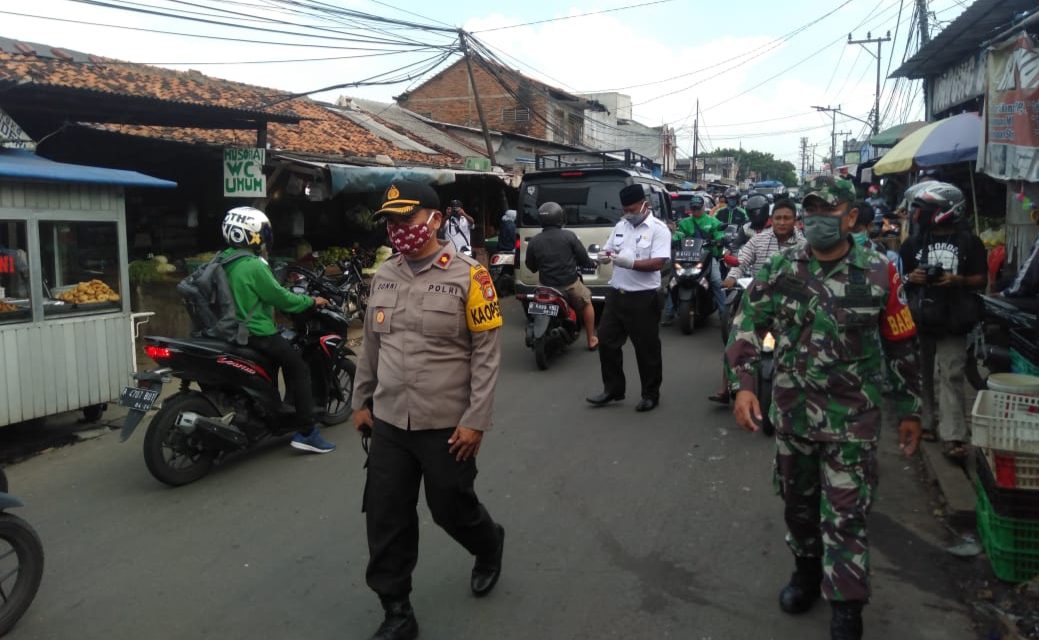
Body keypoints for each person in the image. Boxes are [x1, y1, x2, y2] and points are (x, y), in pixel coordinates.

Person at [726, 175, 922, 640]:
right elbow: (749, 324)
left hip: (852, 418)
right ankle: (807, 573)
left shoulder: (878, 271)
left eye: (826, 213)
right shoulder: (783, 268)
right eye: (809, 212)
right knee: (798, 505)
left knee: (846, 512)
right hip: (793, 413)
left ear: (851, 218)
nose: (815, 221)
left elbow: (900, 341)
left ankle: (848, 605)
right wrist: (745, 385)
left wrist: (910, 408)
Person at [352, 181, 505, 640]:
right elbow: (371, 347)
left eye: (407, 219)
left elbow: (487, 354)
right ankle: (396, 609)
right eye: (391, 222)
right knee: (386, 516)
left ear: (435, 220)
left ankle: (488, 543)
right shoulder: (384, 275)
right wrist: (360, 401)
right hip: (390, 423)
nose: (398, 230)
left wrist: (476, 420)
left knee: (451, 509)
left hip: (446, 425)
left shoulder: (471, 276)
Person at [220, 207, 335, 454]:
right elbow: (282, 299)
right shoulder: (252, 265)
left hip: (227, 331)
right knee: (298, 367)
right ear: (252, 235)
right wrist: (311, 302)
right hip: (256, 333)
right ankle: (307, 432)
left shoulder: (224, 259)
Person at [899, 182, 987, 461]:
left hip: (954, 319)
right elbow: (901, 282)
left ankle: (954, 435)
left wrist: (957, 280)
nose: (916, 215)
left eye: (923, 210)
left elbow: (981, 279)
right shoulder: (912, 243)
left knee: (951, 374)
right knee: (922, 374)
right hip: (921, 317)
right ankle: (926, 422)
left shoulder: (970, 242)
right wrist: (911, 279)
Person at [587, 183, 671, 412]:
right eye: (625, 210)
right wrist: (603, 257)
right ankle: (613, 389)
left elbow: (658, 263)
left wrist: (631, 263)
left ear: (645, 204)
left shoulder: (658, 229)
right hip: (617, 295)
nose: (628, 214)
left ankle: (650, 394)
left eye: (632, 209)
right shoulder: (621, 225)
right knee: (606, 341)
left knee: (646, 349)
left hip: (643, 298)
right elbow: (608, 250)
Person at [712, 199, 803, 404]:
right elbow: (741, 261)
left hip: (792, 303)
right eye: (778, 218)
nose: (781, 222)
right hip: (758, 300)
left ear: (795, 221)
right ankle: (728, 385)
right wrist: (731, 278)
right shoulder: (758, 240)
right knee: (735, 341)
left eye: (786, 218)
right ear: (771, 220)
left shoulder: (804, 245)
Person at [524, 202, 599, 350]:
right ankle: (591, 339)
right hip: (569, 285)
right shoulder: (569, 236)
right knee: (587, 303)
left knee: (535, 303)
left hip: (545, 287)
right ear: (560, 218)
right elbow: (583, 259)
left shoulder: (534, 241)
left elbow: (531, 266)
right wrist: (591, 264)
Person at [669, 194, 729, 328]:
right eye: (693, 208)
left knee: (716, 281)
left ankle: (724, 314)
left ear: (703, 207)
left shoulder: (712, 221)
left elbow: (720, 233)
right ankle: (669, 312)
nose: (695, 211)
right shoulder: (684, 222)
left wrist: (720, 239)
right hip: (687, 257)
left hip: (707, 256)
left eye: (698, 208)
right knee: (674, 280)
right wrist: (674, 238)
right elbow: (679, 234)